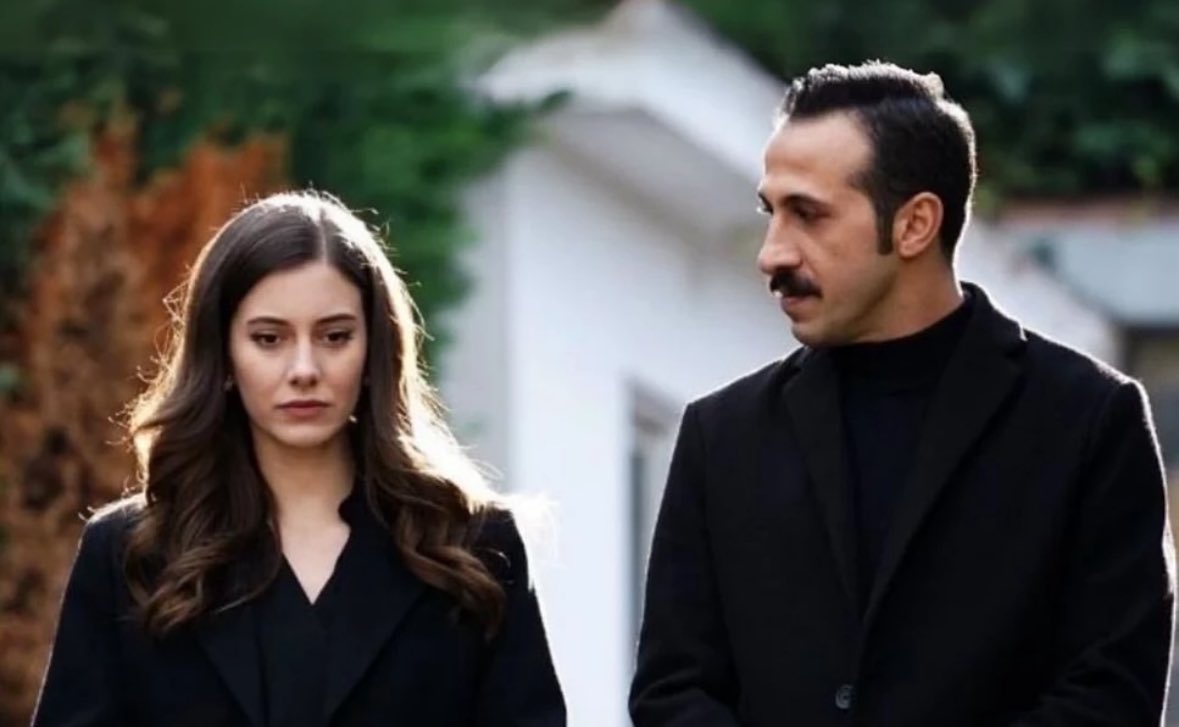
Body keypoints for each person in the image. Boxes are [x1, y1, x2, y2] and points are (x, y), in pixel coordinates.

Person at [630, 61, 1174, 726]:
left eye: (808, 214)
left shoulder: (1087, 420)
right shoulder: (721, 435)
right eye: (771, 212)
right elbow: (671, 693)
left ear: (915, 224)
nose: (772, 254)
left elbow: (1111, 696)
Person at [33, 191, 566, 726]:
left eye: (335, 336)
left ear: (374, 350)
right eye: (269, 339)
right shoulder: (131, 556)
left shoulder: (474, 549)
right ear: (222, 354)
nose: (305, 369)